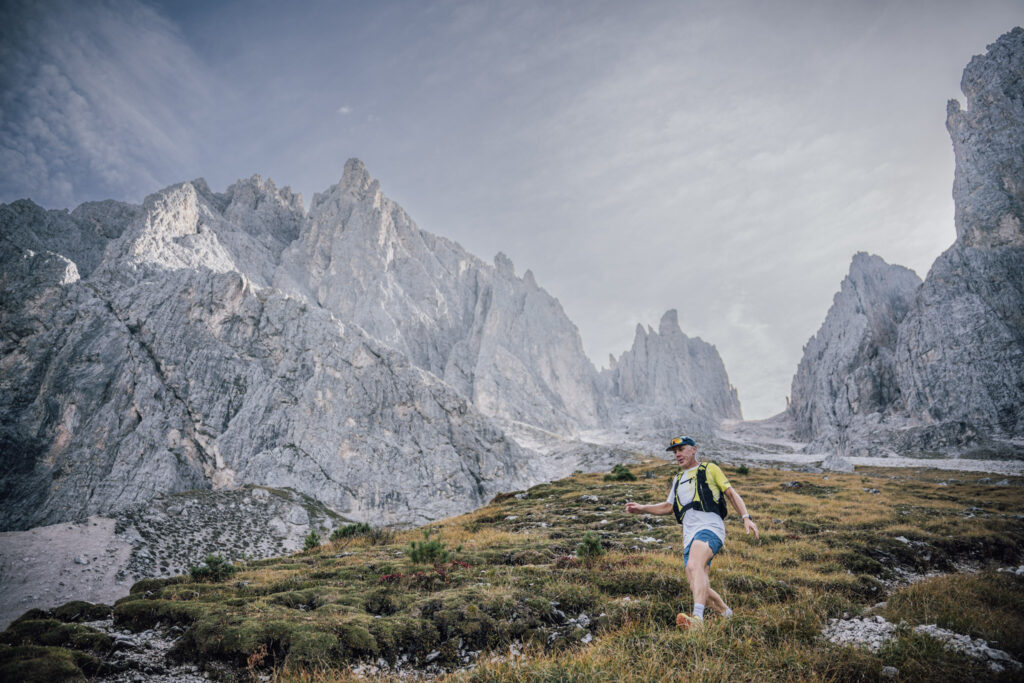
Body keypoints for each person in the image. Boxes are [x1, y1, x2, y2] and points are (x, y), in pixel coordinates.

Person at [625, 436, 759, 628]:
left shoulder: (709, 469)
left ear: (694, 449)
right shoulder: (677, 479)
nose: (677, 454)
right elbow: (667, 507)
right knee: (696, 583)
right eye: (674, 452)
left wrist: (746, 517)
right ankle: (728, 615)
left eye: (681, 449)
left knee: (694, 565)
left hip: (710, 528)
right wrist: (642, 508)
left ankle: (698, 620)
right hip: (689, 535)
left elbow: (730, 493)